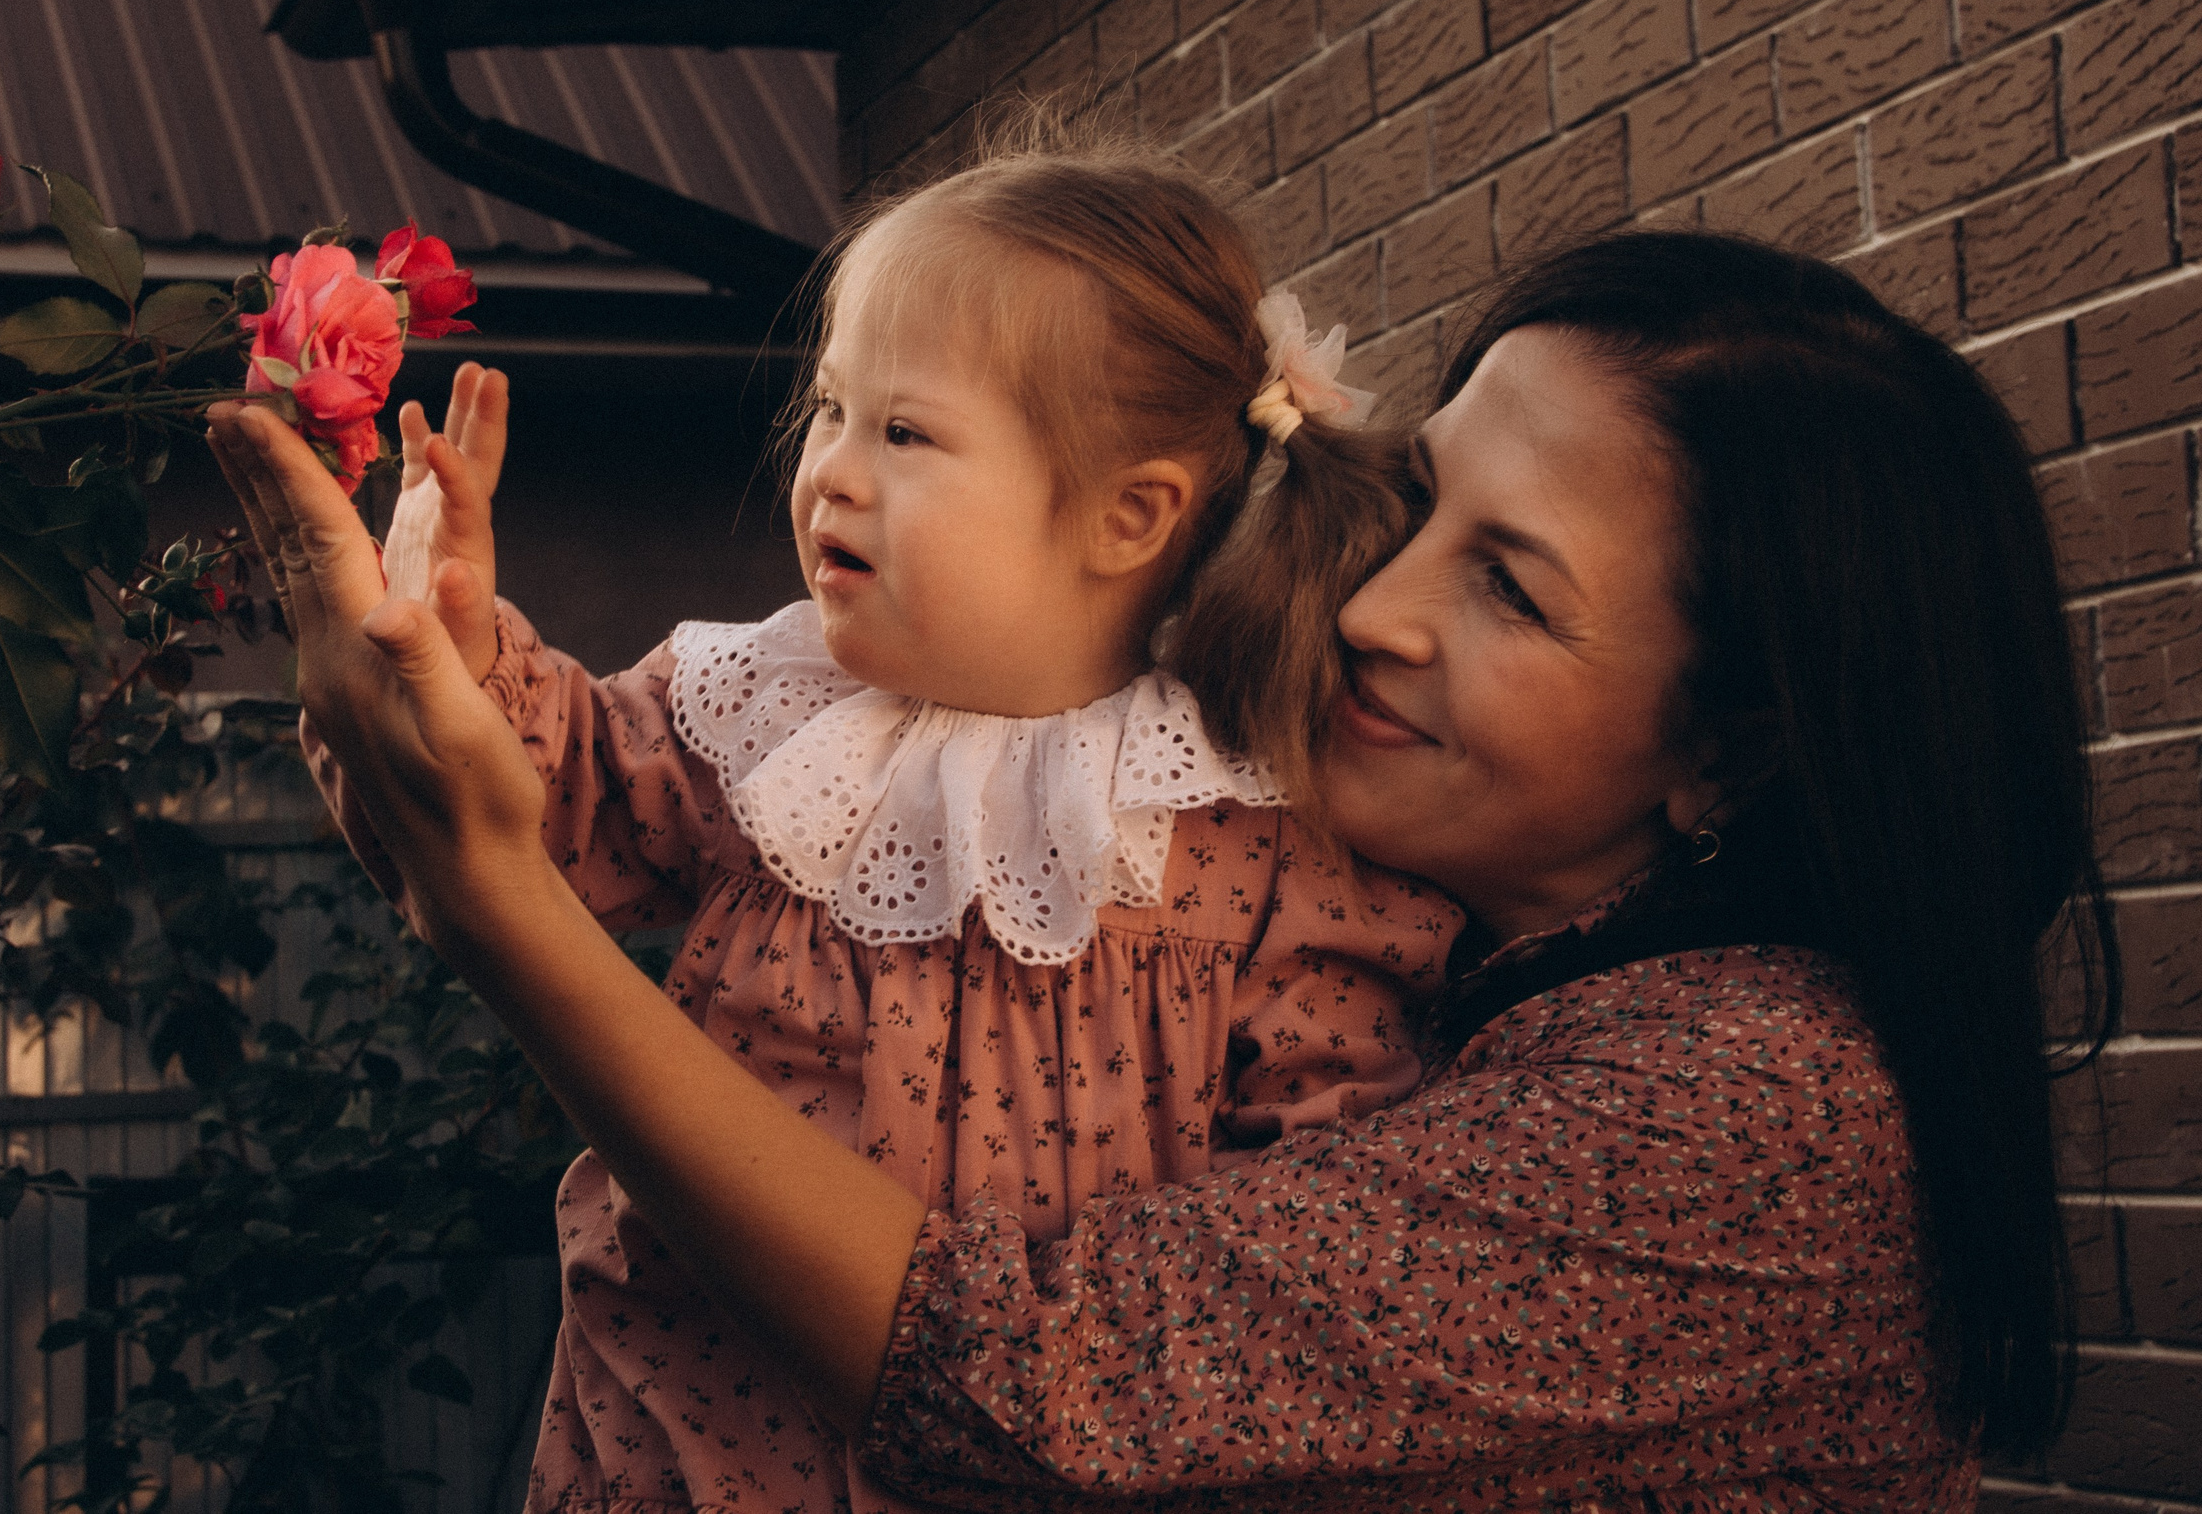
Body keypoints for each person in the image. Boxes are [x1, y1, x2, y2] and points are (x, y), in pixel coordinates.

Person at [210, 229, 2116, 1509]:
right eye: (1415, 495)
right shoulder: (1364, 899)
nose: (1369, 598)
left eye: (1509, 586)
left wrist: (501, 917)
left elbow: (1047, 1383)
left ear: (1733, 747)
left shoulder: (1744, 1101)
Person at [301, 145, 1463, 1512]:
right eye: (833, 409)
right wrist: (460, 653)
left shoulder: (1241, 820)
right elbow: (544, 823)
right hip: (693, 1458)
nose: (833, 474)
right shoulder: (766, 711)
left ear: (1126, 514)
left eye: (904, 434)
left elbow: (1332, 1186)